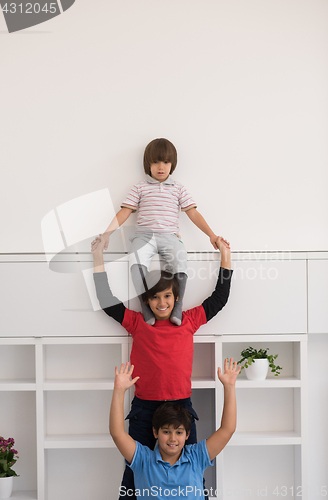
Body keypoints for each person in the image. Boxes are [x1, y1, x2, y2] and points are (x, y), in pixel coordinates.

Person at [91, 234, 233, 500]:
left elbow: (219, 298)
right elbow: (106, 299)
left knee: (191, 470)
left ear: (175, 295)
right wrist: (98, 257)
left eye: (167, 296)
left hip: (181, 407)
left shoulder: (189, 321)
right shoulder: (137, 323)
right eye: (154, 298)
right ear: (146, 301)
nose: (161, 303)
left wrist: (225, 256)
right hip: (145, 408)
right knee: (133, 473)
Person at [91, 138, 229, 326]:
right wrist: (107, 233)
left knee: (180, 259)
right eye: (155, 162)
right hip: (144, 237)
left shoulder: (178, 188)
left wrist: (211, 235)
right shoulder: (140, 187)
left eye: (165, 162)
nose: (160, 167)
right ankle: (145, 305)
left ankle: (177, 306)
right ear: (148, 164)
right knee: (136, 261)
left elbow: (193, 213)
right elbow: (124, 212)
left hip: (170, 237)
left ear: (172, 164)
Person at [110, 360, 240, 499]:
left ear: (187, 434)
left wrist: (229, 386)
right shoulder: (143, 460)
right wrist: (119, 390)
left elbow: (228, 429)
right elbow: (117, 433)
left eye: (179, 432)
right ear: (155, 432)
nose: (172, 438)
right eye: (166, 432)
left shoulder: (196, 457)